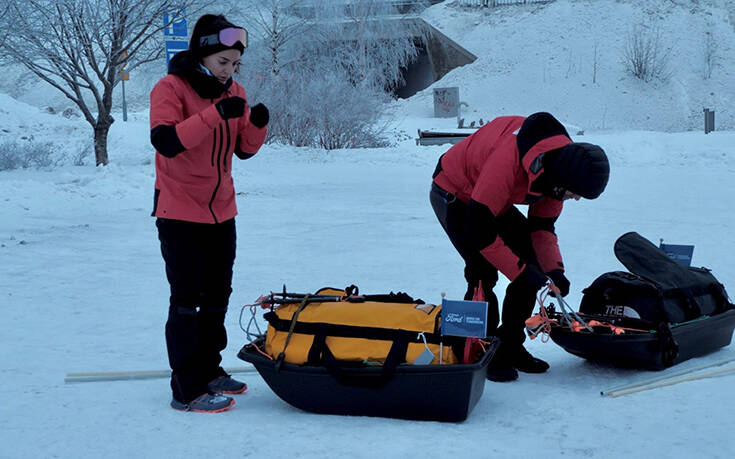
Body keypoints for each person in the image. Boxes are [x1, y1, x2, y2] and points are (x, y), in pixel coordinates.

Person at [429, 112, 609, 382]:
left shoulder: (557, 172)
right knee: (482, 270)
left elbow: (542, 229)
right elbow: (480, 230)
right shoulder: (508, 161)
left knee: (532, 263)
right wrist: (520, 272)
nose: (577, 198)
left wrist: (554, 271)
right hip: (453, 191)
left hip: (488, 200)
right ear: (564, 181)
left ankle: (509, 346)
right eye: (576, 193)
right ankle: (479, 350)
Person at [149, 14, 269, 412]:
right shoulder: (170, 88)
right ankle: (186, 388)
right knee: (186, 300)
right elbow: (166, 142)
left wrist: (258, 125)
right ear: (203, 54)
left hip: (222, 211)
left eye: (236, 65)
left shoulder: (235, 91)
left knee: (217, 295)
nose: (230, 72)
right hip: (180, 211)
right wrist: (215, 114)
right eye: (223, 63)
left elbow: (244, 150)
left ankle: (210, 369)